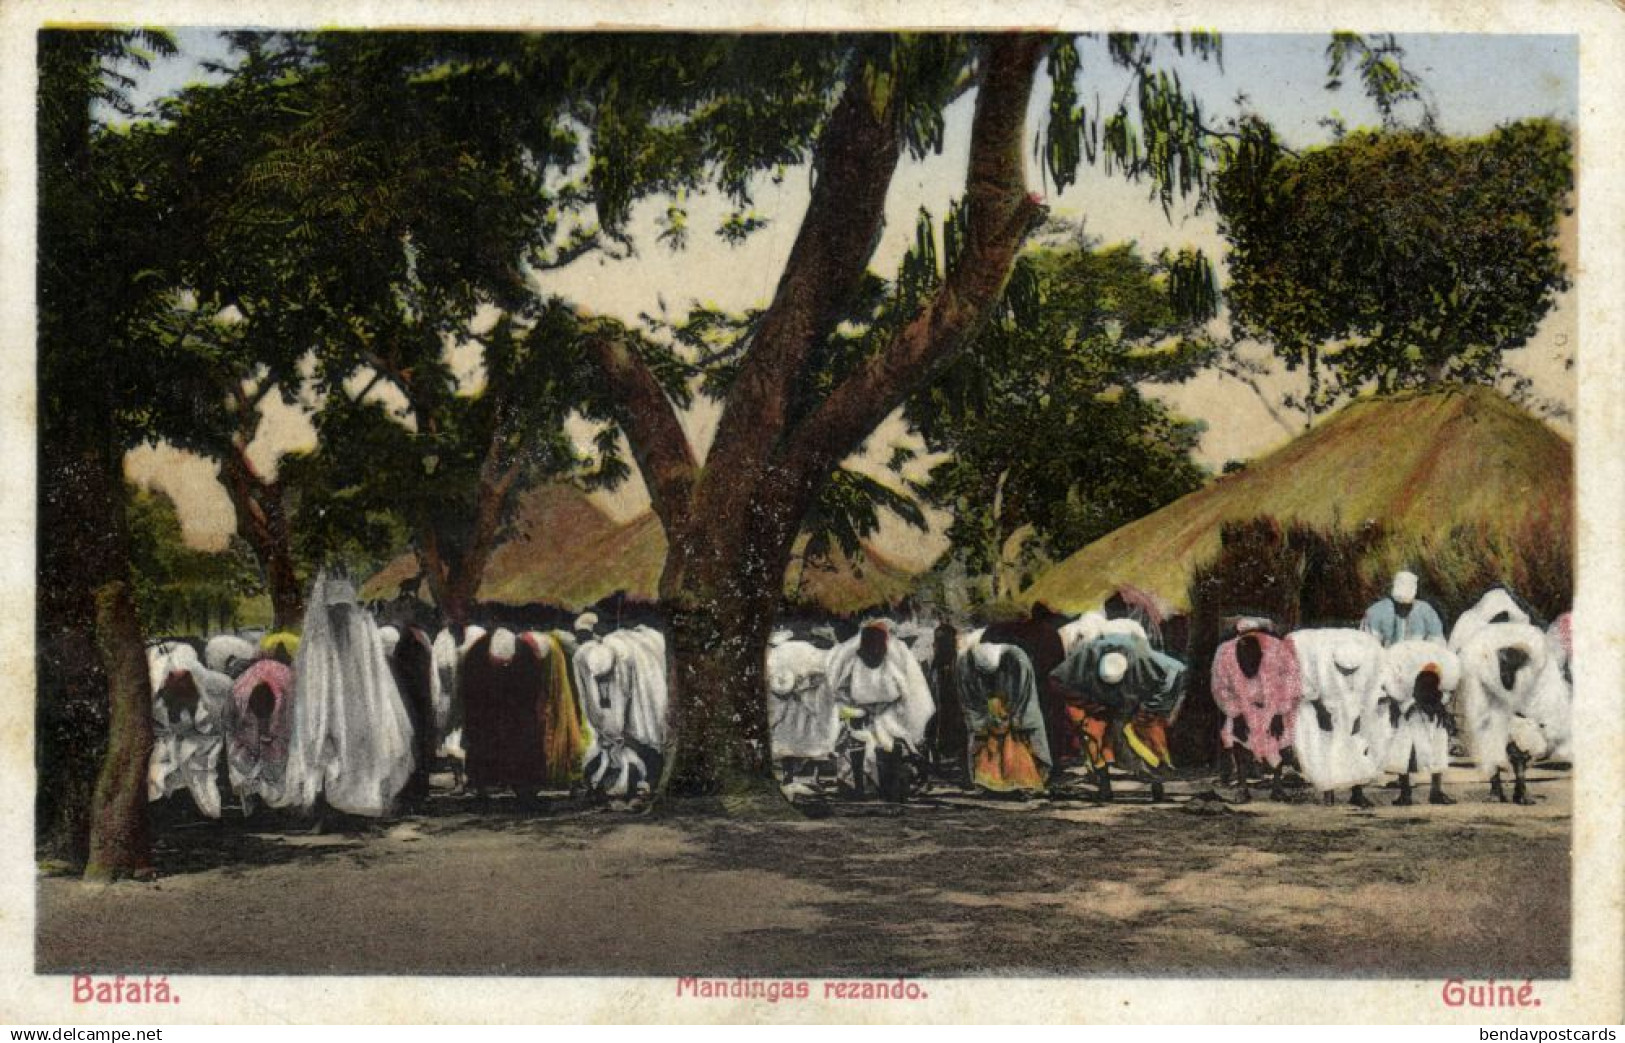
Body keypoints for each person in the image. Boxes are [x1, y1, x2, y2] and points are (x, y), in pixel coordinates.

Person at [279, 571, 416, 820]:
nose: (339, 615)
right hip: (329, 708)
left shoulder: (362, 631)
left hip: (360, 707)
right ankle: (328, 810)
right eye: (334, 610)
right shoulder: (318, 640)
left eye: (343, 608)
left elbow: (374, 674)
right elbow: (313, 679)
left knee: (362, 760)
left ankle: (358, 810)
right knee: (328, 756)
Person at [1049, 632, 1185, 802]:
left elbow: (1175, 673)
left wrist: (1150, 707)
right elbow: (1056, 681)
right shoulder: (1084, 658)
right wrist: (1089, 704)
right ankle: (1104, 786)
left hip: (1134, 700)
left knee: (1148, 739)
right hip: (1098, 701)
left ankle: (1157, 785)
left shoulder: (1145, 660)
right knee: (1091, 736)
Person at [1457, 621, 1571, 804]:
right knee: (1488, 734)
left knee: (1523, 733)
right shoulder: (1478, 659)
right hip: (1488, 698)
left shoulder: (1538, 663)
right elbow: (1477, 703)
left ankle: (1520, 785)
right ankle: (1496, 787)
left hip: (1521, 702)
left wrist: (1528, 718)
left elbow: (1540, 697)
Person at [825, 621, 935, 800]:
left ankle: (888, 786)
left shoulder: (895, 656)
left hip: (886, 712)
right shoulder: (851, 657)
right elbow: (840, 687)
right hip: (861, 712)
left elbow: (906, 690)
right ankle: (861, 787)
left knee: (888, 746)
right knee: (860, 746)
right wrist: (852, 707)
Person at [1287, 628, 1383, 807]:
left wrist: (1360, 717)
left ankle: (1357, 792)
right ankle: (1328, 793)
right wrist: (1320, 710)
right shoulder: (1316, 658)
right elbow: (1307, 686)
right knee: (1324, 749)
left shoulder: (1369, 658)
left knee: (1356, 747)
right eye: (1343, 670)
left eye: (1351, 671)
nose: (1347, 674)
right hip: (1320, 704)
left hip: (1350, 706)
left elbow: (1369, 693)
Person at [574, 625, 669, 802]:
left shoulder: (628, 658)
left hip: (639, 708)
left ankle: (643, 780)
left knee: (641, 739)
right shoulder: (587, 657)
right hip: (616, 729)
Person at [1210, 617, 1300, 801]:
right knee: (1239, 740)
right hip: (1243, 706)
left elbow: (1291, 680)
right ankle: (1243, 788)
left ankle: (1277, 787)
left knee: (1278, 742)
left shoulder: (1278, 649)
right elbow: (1220, 686)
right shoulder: (1226, 652)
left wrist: (1280, 713)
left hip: (1273, 705)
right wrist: (1235, 714)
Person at [460, 627, 549, 805]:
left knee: (522, 746)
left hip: (518, 709)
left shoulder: (525, 655)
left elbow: (533, 688)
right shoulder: (477, 654)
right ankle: (481, 787)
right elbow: (469, 690)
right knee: (484, 744)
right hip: (487, 708)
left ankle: (524, 789)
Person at [982, 603, 1073, 771]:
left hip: (1007, 689)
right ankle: (1047, 764)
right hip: (1042, 687)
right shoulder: (1048, 633)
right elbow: (1058, 665)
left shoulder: (997, 631)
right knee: (1045, 725)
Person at [147, 643, 231, 820]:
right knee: (180, 773)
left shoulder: (203, 693)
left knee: (199, 775)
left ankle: (211, 812)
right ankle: (205, 810)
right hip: (189, 740)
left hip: (202, 741)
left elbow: (208, 723)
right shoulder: (164, 700)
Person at [956, 642, 1049, 796]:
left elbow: (1023, 700)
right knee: (989, 754)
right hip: (990, 721)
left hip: (1011, 719)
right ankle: (988, 784)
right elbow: (970, 703)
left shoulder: (1018, 661)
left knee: (1014, 752)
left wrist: (1011, 719)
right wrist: (985, 723)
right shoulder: (965, 664)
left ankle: (1021, 783)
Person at [1372, 642, 1461, 805]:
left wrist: (1437, 703)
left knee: (1437, 751)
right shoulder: (1401, 673)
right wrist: (1408, 704)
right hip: (1410, 709)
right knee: (1405, 752)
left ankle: (1436, 792)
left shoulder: (1445, 670)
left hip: (1433, 707)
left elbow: (1447, 689)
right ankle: (1406, 794)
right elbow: (1394, 689)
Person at [765, 629, 838, 793]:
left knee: (792, 743)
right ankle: (808, 777)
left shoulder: (783, 651)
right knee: (807, 741)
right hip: (803, 705)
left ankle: (793, 777)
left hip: (795, 704)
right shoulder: (813, 653)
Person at [225, 651, 295, 815]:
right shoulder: (238, 693)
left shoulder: (289, 697)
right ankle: (252, 801)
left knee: (279, 760)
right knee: (241, 761)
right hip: (246, 721)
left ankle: (282, 804)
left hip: (280, 710)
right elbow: (229, 723)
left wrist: (272, 738)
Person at [1361, 570, 1445, 647]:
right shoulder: (1376, 613)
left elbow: (1438, 645)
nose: (1403, 610)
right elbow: (1368, 648)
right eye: (1399, 604)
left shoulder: (1426, 612)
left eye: (1407, 605)